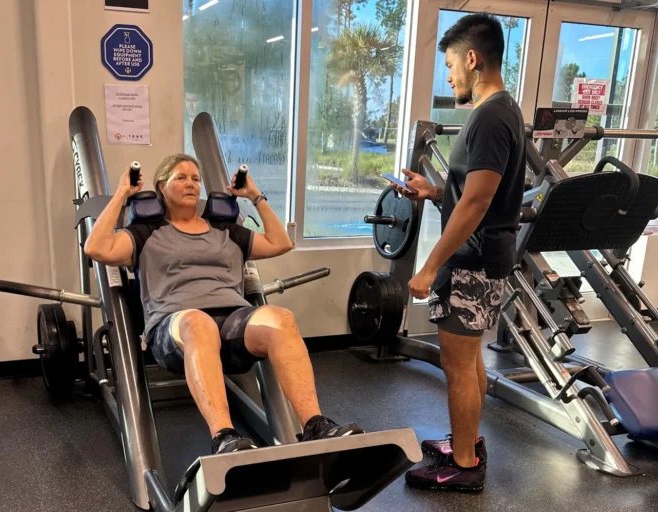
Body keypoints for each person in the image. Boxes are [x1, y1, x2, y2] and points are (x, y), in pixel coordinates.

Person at [84, 153, 364, 454]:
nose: (190, 184)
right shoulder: (145, 234)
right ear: (161, 187)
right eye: (181, 178)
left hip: (232, 322)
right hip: (175, 327)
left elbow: (281, 242)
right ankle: (225, 437)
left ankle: (316, 426)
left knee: (280, 319)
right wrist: (122, 195)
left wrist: (255, 196)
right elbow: (96, 247)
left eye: (195, 179)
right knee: (199, 323)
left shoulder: (225, 231)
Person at [392, 14, 525, 492]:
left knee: (457, 365)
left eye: (450, 64)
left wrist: (430, 265)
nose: (448, 75)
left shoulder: (490, 115)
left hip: (471, 264)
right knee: (470, 364)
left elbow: (479, 200)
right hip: (483, 258)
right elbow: (471, 191)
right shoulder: (501, 110)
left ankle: (464, 466)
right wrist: (432, 193)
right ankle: (467, 442)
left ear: (473, 59)